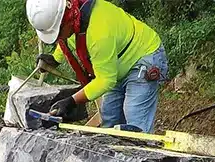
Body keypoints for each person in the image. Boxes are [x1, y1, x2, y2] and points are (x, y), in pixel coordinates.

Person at [27, 0, 168, 133]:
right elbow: (68, 39)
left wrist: (72, 101)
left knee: (135, 119)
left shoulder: (98, 32)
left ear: (66, 20)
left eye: (57, 32)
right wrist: (55, 59)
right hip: (116, 63)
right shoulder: (75, 16)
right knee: (110, 116)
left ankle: (142, 156)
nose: (57, 38)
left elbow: (106, 80)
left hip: (143, 55)